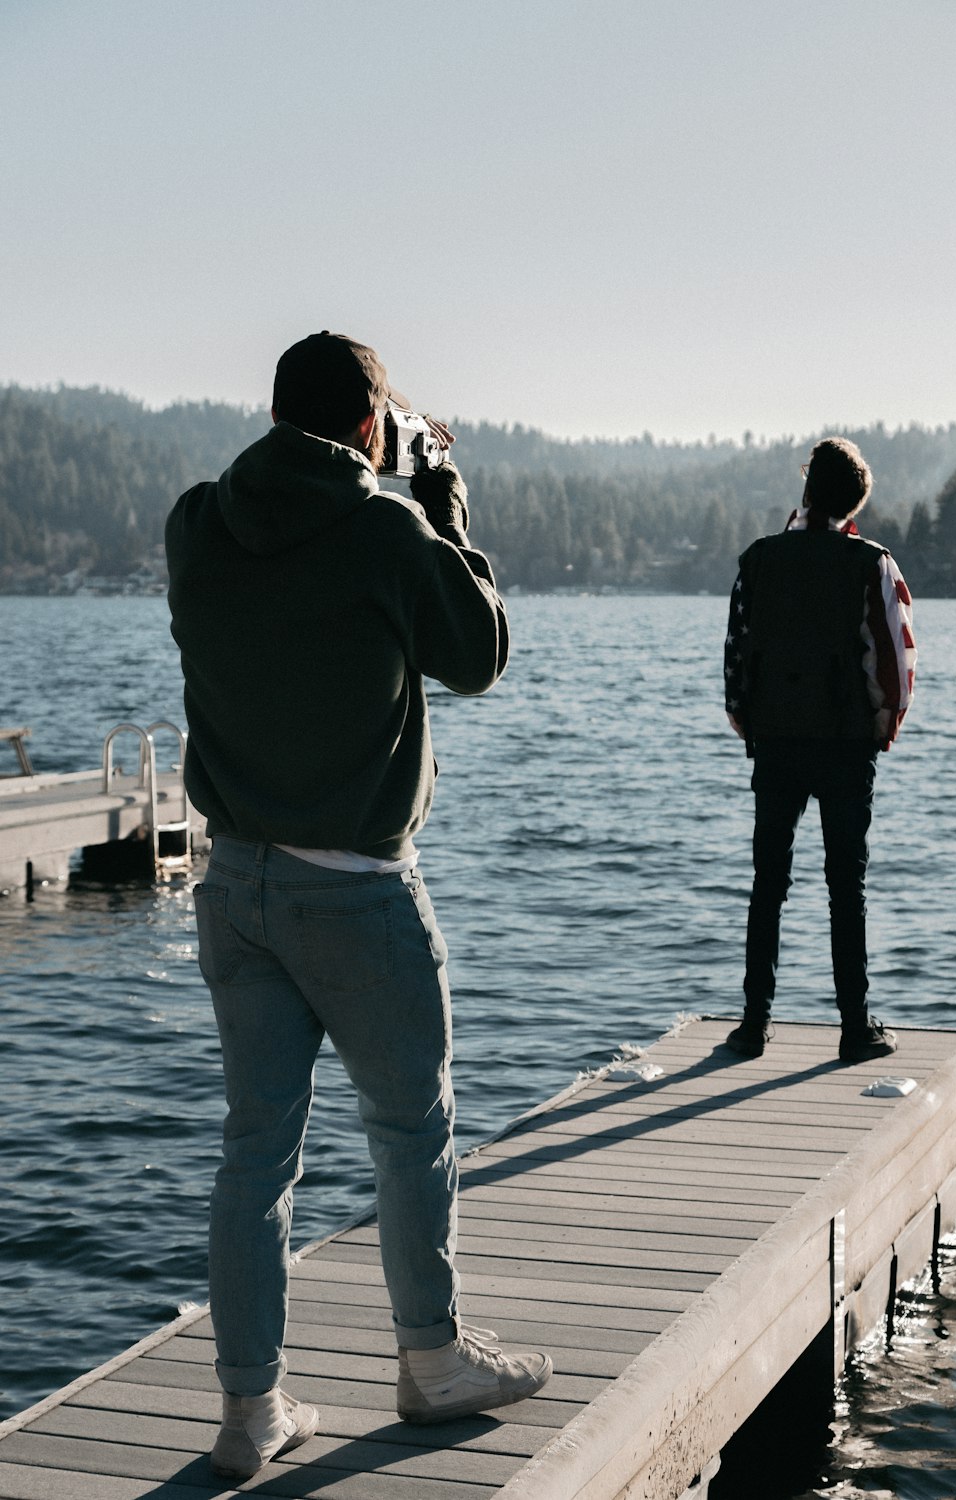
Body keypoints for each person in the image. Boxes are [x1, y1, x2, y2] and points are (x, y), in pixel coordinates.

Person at [165, 332, 551, 1481]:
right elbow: (478, 654)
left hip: (232, 884)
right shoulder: (387, 529)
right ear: (372, 431)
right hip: (357, 890)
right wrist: (444, 514)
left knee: (253, 1154)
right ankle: (431, 1363)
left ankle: (250, 1413)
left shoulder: (196, 520)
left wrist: (401, 498)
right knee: (409, 1133)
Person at [723, 436, 916, 1062]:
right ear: (856, 502)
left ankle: (753, 1025)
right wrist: (886, 722)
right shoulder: (872, 562)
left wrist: (747, 718)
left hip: (775, 739)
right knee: (845, 887)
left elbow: (737, 651)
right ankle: (855, 1028)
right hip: (844, 743)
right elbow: (893, 657)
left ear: (806, 491)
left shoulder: (758, 558)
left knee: (767, 884)